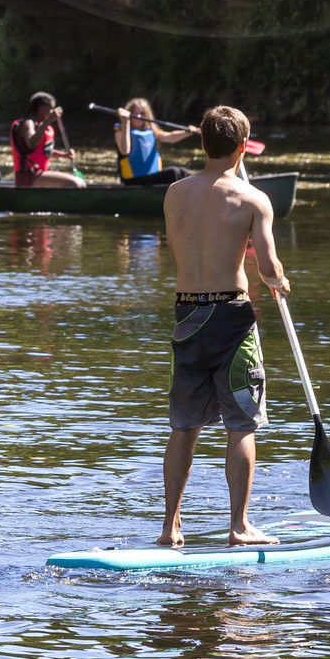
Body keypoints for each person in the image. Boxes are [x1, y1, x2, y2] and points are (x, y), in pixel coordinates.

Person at [159, 104, 289, 548]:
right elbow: (268, 268)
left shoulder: (174, 193)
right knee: (241, 424)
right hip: (232, 318)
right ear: (241, 148)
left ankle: (169, 527)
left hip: (187, 315)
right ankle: (239, 526)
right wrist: (278, 281)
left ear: (202, 144)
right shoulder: (254, 199)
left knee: (184, 426)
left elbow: (181, 254)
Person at [113, 97, 197, 182]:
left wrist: (187, 132)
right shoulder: (121, 132)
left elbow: (170, 137)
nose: (138, 116)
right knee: (174, 173)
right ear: (129, 115)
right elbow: (125, 151)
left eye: (142, 113)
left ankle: (199, 184)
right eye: (134, 113)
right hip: (133, 180)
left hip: (151, 178)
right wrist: (125, 122)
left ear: (147, 115)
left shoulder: (152, 132)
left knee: (182, 172)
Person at [10, 92, 78, 186]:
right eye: (51, 108)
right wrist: (49, 119)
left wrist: (63, 155)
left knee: (77, 182)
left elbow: (41, 151)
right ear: (42, 108)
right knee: (76, 183)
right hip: (27, 176)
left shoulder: (41, 126)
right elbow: (32, 143)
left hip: (38, 175)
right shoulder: (28, 124)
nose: (53, 112)